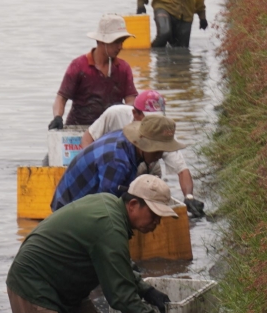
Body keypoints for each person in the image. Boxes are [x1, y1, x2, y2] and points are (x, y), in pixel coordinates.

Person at [7, 176, 202, 313]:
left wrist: (146, 291)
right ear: (133, 204)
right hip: (33, 288)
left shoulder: (111, 207)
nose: (157, 223)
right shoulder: (109, 226)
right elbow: (122, 298)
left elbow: (116, 267)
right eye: (154, 215)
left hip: (65, 288)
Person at [82, 90, 205, 218]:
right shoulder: (115, 114)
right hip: (111, 163)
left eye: (158, 118)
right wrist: (91, 168)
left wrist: (189, 197)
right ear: (135, 113)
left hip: (145, 166)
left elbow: (182, 170)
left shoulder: (160, 130)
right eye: (149, 118)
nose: (154, 123)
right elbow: (88, 138)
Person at [51, 115, 186, 211]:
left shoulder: (127, 144)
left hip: (83, 198)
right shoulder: (118, 160)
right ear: (143, 143)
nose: (160, 155)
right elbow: (107, 206)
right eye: (157, 150)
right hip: (67, 208)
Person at [49, 14, 138, 130]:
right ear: (101, 41)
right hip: (78, 129)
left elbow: (131, 100)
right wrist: (57, 117)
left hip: (111, 130)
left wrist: (127, 114)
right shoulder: (79, 66)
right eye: (116, 42)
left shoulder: (123, 68)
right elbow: (61, 98)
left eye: (122, 41)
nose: (120, 46)